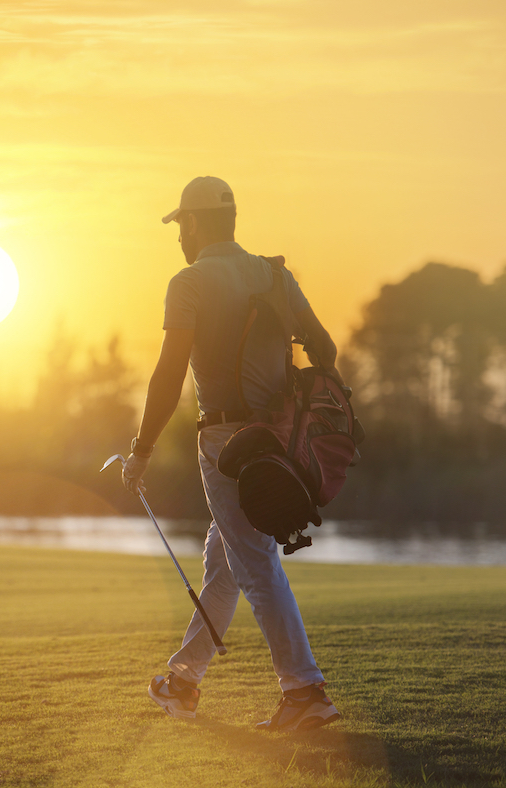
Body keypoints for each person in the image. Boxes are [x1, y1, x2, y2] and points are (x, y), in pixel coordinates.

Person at [121, 176, 341, 732]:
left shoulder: (188, 281)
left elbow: (170, 375)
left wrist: (141, 450)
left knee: (254, 563)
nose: (178, 238)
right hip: (280, 441)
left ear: (192, 224)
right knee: (227, 558)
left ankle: (305, 691)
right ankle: (184, 681)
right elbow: (326, 349)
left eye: (180, 227)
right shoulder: (274, 274)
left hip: (226, 444)